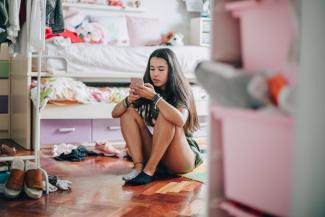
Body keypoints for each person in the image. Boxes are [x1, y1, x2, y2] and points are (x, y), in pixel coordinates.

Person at [112, 48, 203, 185]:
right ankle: (139, 168)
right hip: (160, 154)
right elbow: (115, 113)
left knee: (167, 116)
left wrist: (155, 98)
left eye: (161, 69)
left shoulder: (180, 90)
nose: (155, 74)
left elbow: (180, 120)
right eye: (152, 69)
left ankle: (149, 171)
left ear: (171, 71)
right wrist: (130, 99)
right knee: (128, 113)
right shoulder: (150, 88)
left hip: (181, 158)